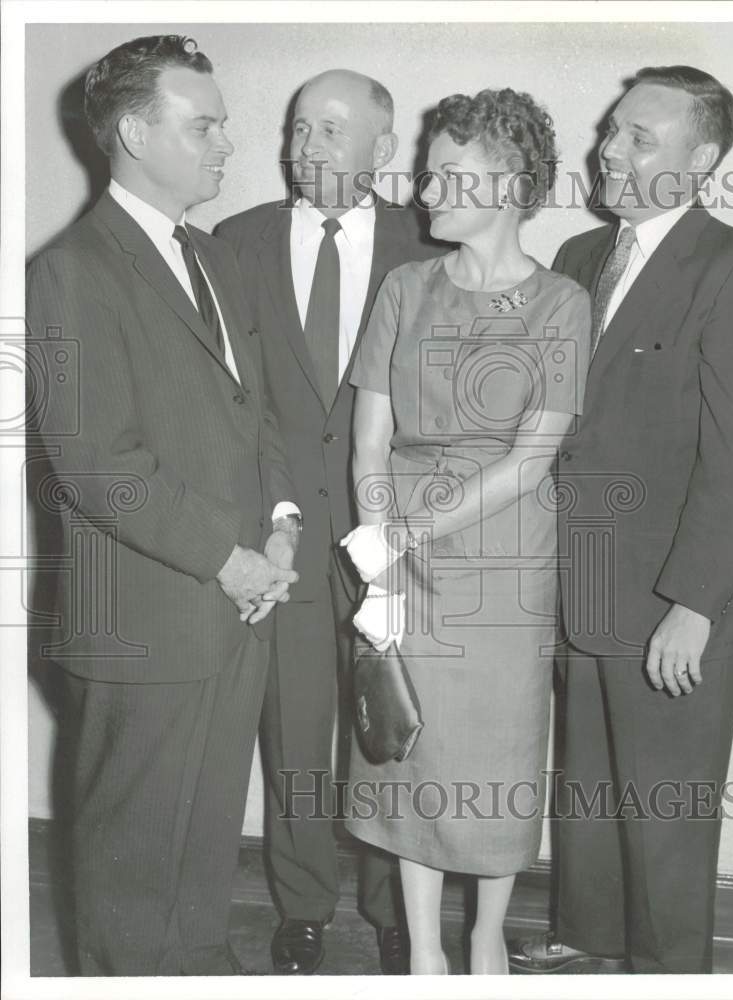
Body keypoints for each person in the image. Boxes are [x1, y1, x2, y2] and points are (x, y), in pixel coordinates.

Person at [26, 35, 301, 975]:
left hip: (236, 605)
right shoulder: (70, 271)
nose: (229, 143)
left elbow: (250, 415)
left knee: (200, 851)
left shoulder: (217, 260)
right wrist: (229, 560)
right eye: (206, 124)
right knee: (133, 866)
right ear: (137, 131)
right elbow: (95, 462)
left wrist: (280, 530)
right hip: (146, 618)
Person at [507, 66, 733, 975]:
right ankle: (586, 942)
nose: (609, 152)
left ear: (701, 159)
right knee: (583, 787)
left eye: (639, 138)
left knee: (666, 805)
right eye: (612, 131)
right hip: (578, 582)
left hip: (672, 600)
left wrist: (693, 602)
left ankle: (672, 975)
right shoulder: (578, 260)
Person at [340, 88, 591, 975]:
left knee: (492, 747)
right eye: (427, 170)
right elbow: (369, 433)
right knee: (406, 744)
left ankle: (484, 937)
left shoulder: (561, 303)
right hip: (397, 545)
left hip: (501, 555)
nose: (426, 189)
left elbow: (531, 458)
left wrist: (409, 528)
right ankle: (422, 953)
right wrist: (379, 541)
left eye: (451, 173)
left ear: (511, 184)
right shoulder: (405, 288)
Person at [216, 69, 438, 974]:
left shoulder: (429, 246)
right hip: (287, 532)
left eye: (332, 131)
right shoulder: (235, 241)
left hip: (400, 531)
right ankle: (302, 905)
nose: (308, 146)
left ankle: (395, 912)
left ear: (381, 151)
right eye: (300, 126)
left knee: (390, 721)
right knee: (294, 723)